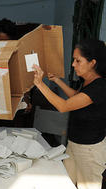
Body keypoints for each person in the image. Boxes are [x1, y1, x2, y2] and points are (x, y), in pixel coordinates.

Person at [33, 38, 106, 189]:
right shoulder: (87, 81)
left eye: (78, 61)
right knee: (66, 184)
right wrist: (57, 81)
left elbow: (64, 106)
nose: (73, 64)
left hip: (90, 150)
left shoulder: (100, 87)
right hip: (74, 144)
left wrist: (40, 84)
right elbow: (76, 97)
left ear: (92, 63)